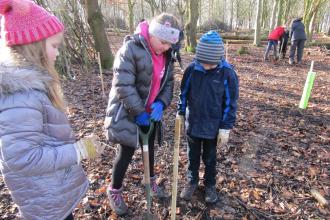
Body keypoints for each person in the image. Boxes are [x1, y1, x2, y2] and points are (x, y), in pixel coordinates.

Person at [0, 1, 104, 219]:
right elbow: (22, 158)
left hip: (50, 193)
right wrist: (78, 151)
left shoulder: (32, 89)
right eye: (54, 46)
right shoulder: (21, 96)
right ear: (34, 46)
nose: (57, 54)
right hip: (44, 200)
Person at [104, 13, 181, 215]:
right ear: (153, 34)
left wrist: (161, 104)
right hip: (128, 111)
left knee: (151, 149)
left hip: (151, 113)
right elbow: (123, 85)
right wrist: (138, 113)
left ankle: (151, 181)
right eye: (163, 42)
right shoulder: (130, 49)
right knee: (126, 152)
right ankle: (114, 190)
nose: (166, 47)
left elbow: (169, 83)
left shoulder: (167, 55)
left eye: (170, 44)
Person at [177, 31, 239, 203]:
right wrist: (181, 112)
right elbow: (183, 93)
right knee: (192, 155)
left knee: (210, 157)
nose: (206, 66)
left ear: (218, 59)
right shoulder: (191, 70)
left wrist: (225, 127)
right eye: (203, 62)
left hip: (213, 125)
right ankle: (192, 181)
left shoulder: (227, 74)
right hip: (194, 122)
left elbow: (230, 102)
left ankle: (210, 184)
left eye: (210, 64)